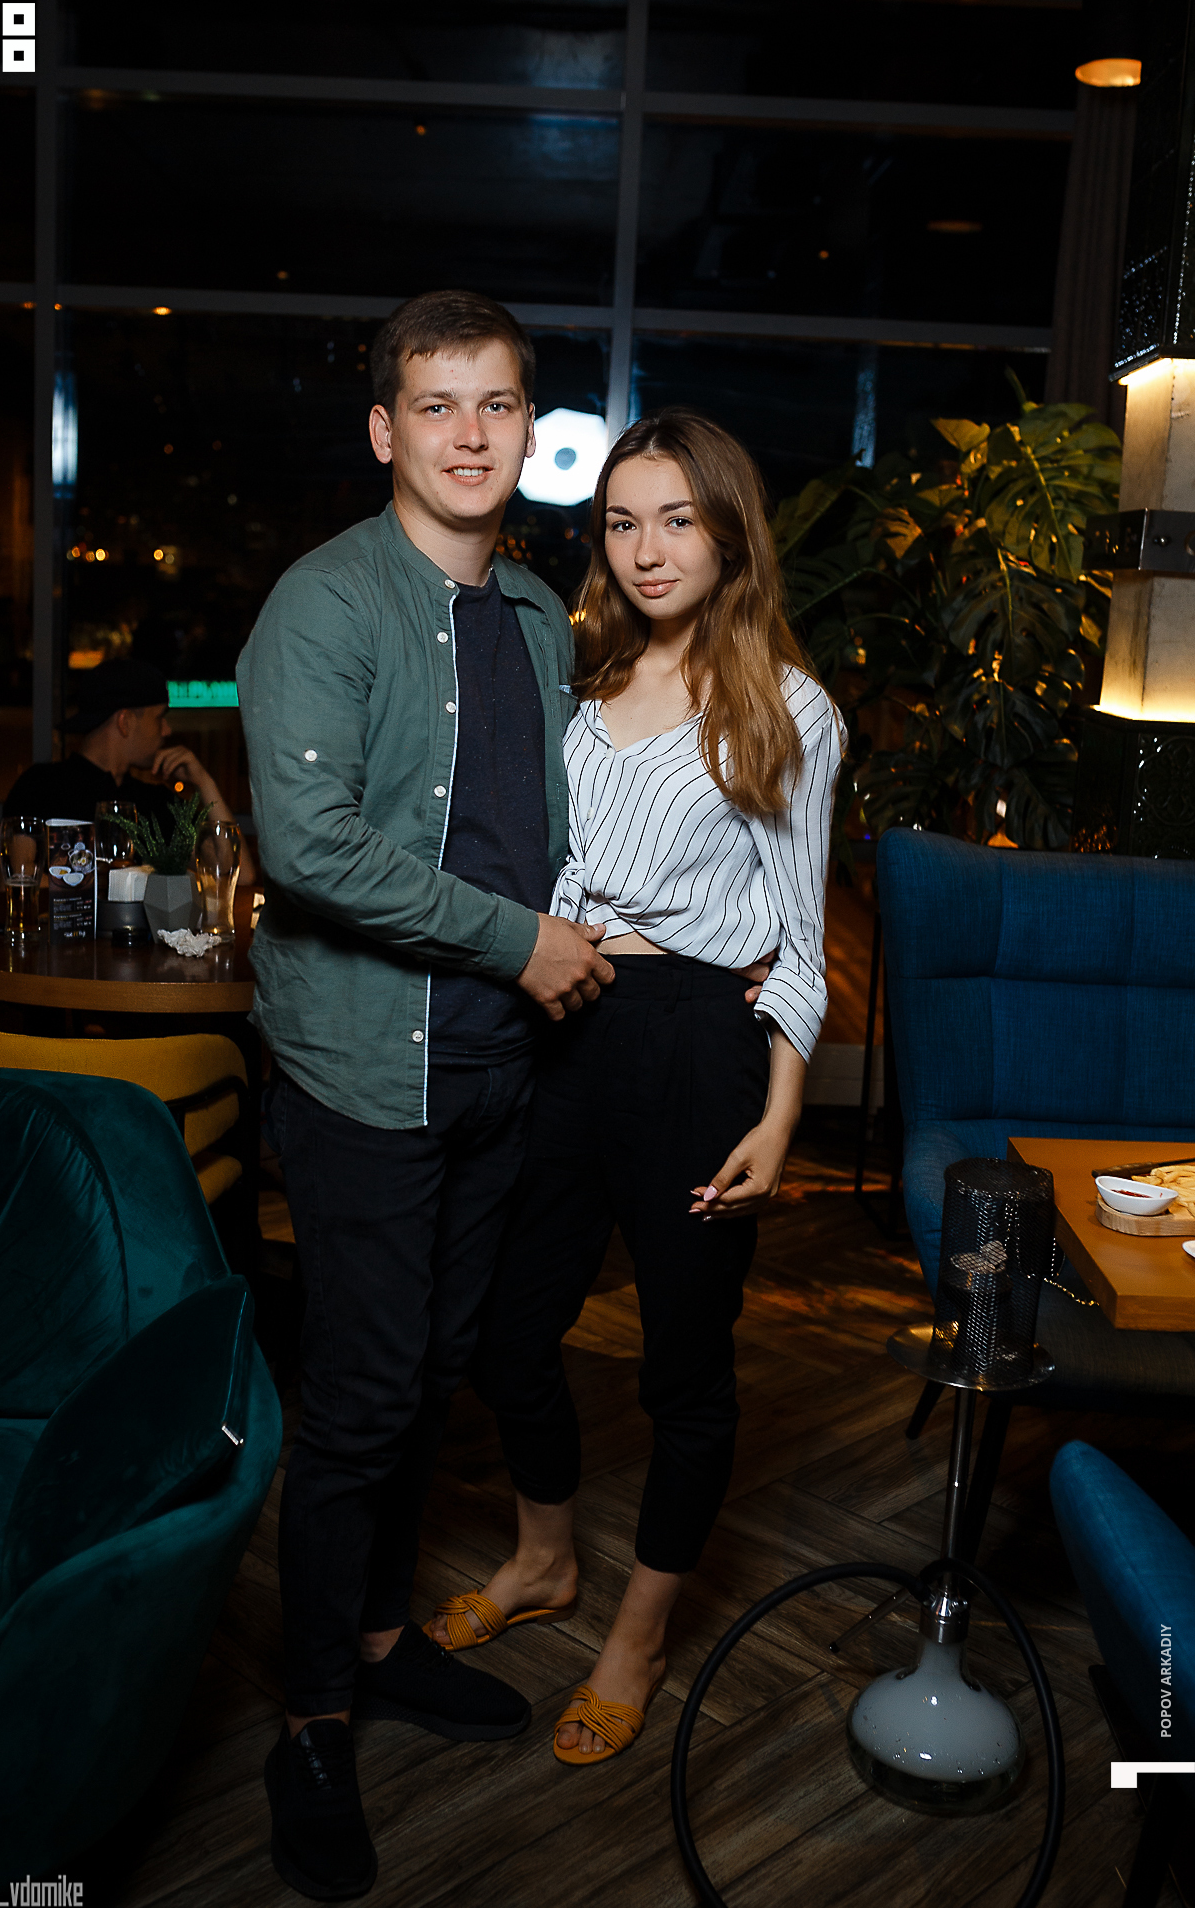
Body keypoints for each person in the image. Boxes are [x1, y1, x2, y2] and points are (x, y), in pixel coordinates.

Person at [236, 290, 616, 1899]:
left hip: (500, 1070)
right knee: (365, 1400)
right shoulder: (325, 602)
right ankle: (312, 1719)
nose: (472, 434)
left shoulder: (533, 612)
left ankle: (384, 1642)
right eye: (439, 405)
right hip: (364, 1069)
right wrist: (522, 943)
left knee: (438, 1372)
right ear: (388, 429)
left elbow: (553, 831)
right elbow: (310, 849)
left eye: (499, 404)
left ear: (532, 429)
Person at [428, 409, 842, 1766]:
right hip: (559, 1029)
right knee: (504, 1336)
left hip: (693, 1049)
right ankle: (546, 1555)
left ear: (728, 535)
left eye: (676, 519)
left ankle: (641, 1635)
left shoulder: (787, 708)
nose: (646, 548)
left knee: (684, 1372)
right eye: (621, 521)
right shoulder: (582, 678)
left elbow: (798, 940)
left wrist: (780, 1116)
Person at [2, 657, 234, 826]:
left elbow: (237, 872)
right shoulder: (40, 789)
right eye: (159, 718)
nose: (167, 730)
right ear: (125, 722)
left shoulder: (155, 802)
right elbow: (21, 876)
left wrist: (204, 782)